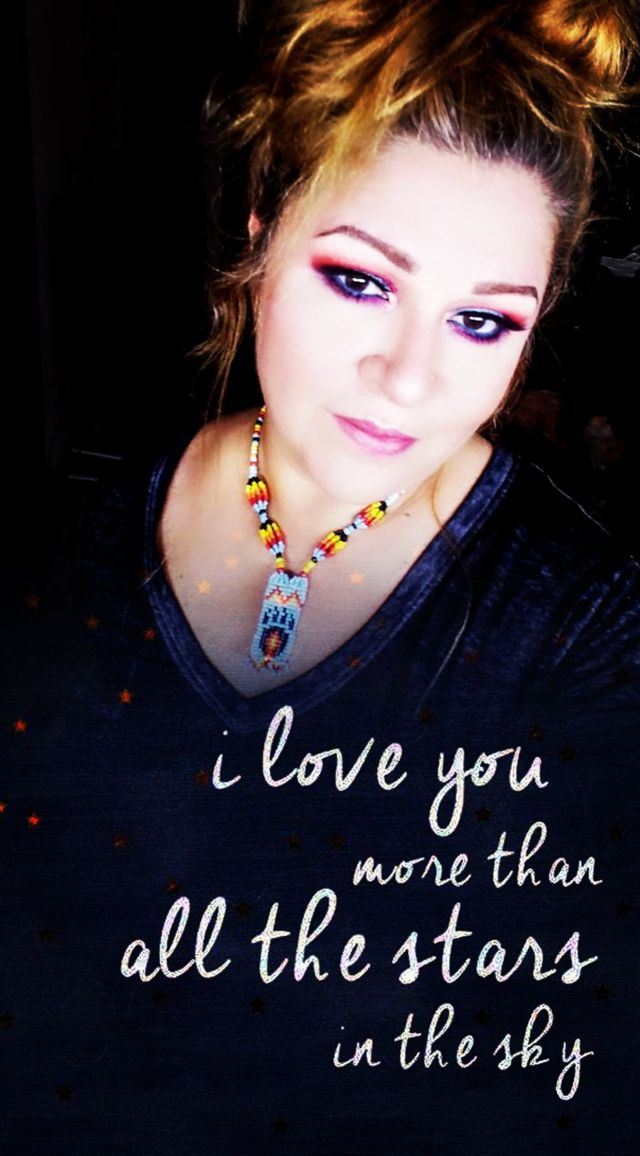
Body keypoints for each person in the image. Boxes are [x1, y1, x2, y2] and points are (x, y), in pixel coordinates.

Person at [3, 2, 639, 1153]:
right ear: (260, 231)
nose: (410, 377)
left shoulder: (586, 627)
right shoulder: (66, 529)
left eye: (482, 321)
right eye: (359, 281)